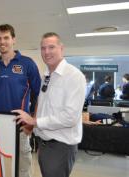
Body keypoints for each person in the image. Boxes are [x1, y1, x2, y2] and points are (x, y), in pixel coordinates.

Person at [13, 32, 86, 177]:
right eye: (43, 48)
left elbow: (70, 117)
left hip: (61, 146)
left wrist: (34, 121)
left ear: (61, 48)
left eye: (51, 47)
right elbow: (42, 103)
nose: (46, 52)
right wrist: (33, 126)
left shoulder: (74, 76)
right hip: (45, 143)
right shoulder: (46, 76)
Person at [0, 24, 41, 177]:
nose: (2, 42)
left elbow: (39, 95)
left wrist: (32, 122)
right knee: (0, 166)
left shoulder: (27, 63)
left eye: (6, 38)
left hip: (20, 127)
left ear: (13, 40)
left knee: (22, 169)